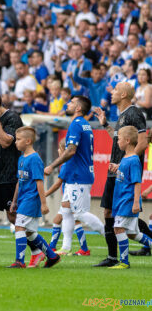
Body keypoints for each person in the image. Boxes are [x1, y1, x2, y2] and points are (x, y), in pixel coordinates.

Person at [0, 90, 44, 268]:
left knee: (15, 218)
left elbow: (6, 142)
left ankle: (38, 251)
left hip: (10, 176)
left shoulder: (12, 118)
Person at [93, 82, 149, 266]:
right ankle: (113, 257)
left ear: (124, 94)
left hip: (124, 171)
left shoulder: (134, 113)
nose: (111, 93)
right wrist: (105, 125)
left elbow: (142, 142)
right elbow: (119, 141)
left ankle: (114, 258)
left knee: (116, 214)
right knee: (113, 213)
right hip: (116, 170)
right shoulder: (121, 115)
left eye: (115, 90)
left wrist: (125, 164)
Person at [45, 96, 105, 255]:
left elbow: (70, 150)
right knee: (66, 210)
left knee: (79, 213)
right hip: (76, 174)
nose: (67, 104)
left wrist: (51, 165)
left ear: (78, 108)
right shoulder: (84, 125)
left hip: (79, 176)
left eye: (71, 102)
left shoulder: (77, 125)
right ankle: (65, 247)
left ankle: (110, 235)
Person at [7, 126, 61, 268]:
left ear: (28, 141)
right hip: (23, 199)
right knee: (30, 232)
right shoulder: (21, 159)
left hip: (31, 199)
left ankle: (19, 261)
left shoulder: (35, 159)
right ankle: (52, 256)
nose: (15, 142)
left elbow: (39, 181)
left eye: (18, 139)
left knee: (19, 226)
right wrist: (14, 201)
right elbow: (20, 181)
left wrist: (44, 203)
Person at [109, 126, 152, 269]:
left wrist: (135, 203)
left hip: (127, 201)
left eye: (119, 139)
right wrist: (117, 167)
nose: (117, 142)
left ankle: (124, 262)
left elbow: (137, 182)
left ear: (127, 141)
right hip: (122, 200)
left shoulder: (133, 160)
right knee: (133, 233)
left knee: (118, 228)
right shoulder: (126, 159)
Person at [45, 138, 89, 254]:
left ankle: (82, 248)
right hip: (70, 196)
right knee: (58, 220)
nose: (58, 151)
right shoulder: (71, 163)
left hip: (71, 198)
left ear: (63, 151)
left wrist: (44, 194)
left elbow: (57, 184)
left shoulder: (66, 165)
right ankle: (53, 246)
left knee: (76, 221)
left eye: (59, 149)